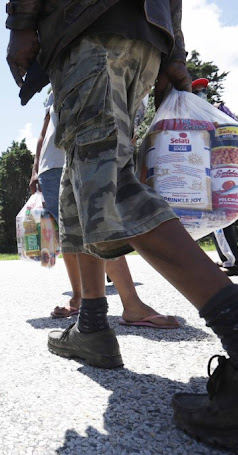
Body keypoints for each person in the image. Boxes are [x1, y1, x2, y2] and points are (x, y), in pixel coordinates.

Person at [6, 0, 238, 445]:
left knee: (109, 188)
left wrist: (22, 22)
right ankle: (92, 327)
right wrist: (174, 54)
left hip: (88, 26)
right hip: (142, 34)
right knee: (79, 183)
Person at [32, 90, 177, 328]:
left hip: (87, 154)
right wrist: (35, 169)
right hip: (52, 165)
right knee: (70, 234)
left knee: (99, 228)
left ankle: (131, 304)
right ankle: (79, 299)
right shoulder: (55, 84)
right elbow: (44, 132)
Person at [192, 78, 238, 276]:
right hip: (215, 170)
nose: (201, 93)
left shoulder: (217, 110)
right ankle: (227, 257)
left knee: (219, 217)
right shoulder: (202, 114)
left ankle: (234, 263)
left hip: (221, 170)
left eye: (203, 89)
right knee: (218, 217)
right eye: (197, 90)